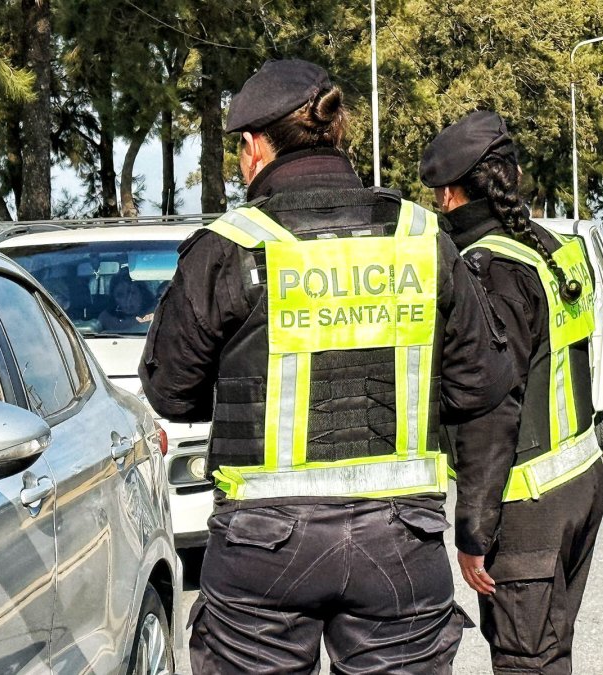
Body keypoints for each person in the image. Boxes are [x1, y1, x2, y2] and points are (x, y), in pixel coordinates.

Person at [139, 59, 516, 674]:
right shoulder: (421, 236)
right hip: (401, 539)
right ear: (337, 134)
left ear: (253, 148)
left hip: (263, 547)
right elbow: (482, 384)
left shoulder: (231, 246)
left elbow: (171, 392)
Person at [421, 110, 603, 674]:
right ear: (513, 177)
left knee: (526, 661)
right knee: (550, 653)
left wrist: (473, 531)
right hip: (579, 481)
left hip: (529, 505)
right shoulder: (549, 247)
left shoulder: (488, 268)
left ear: (449, 194)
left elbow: (491, 411)